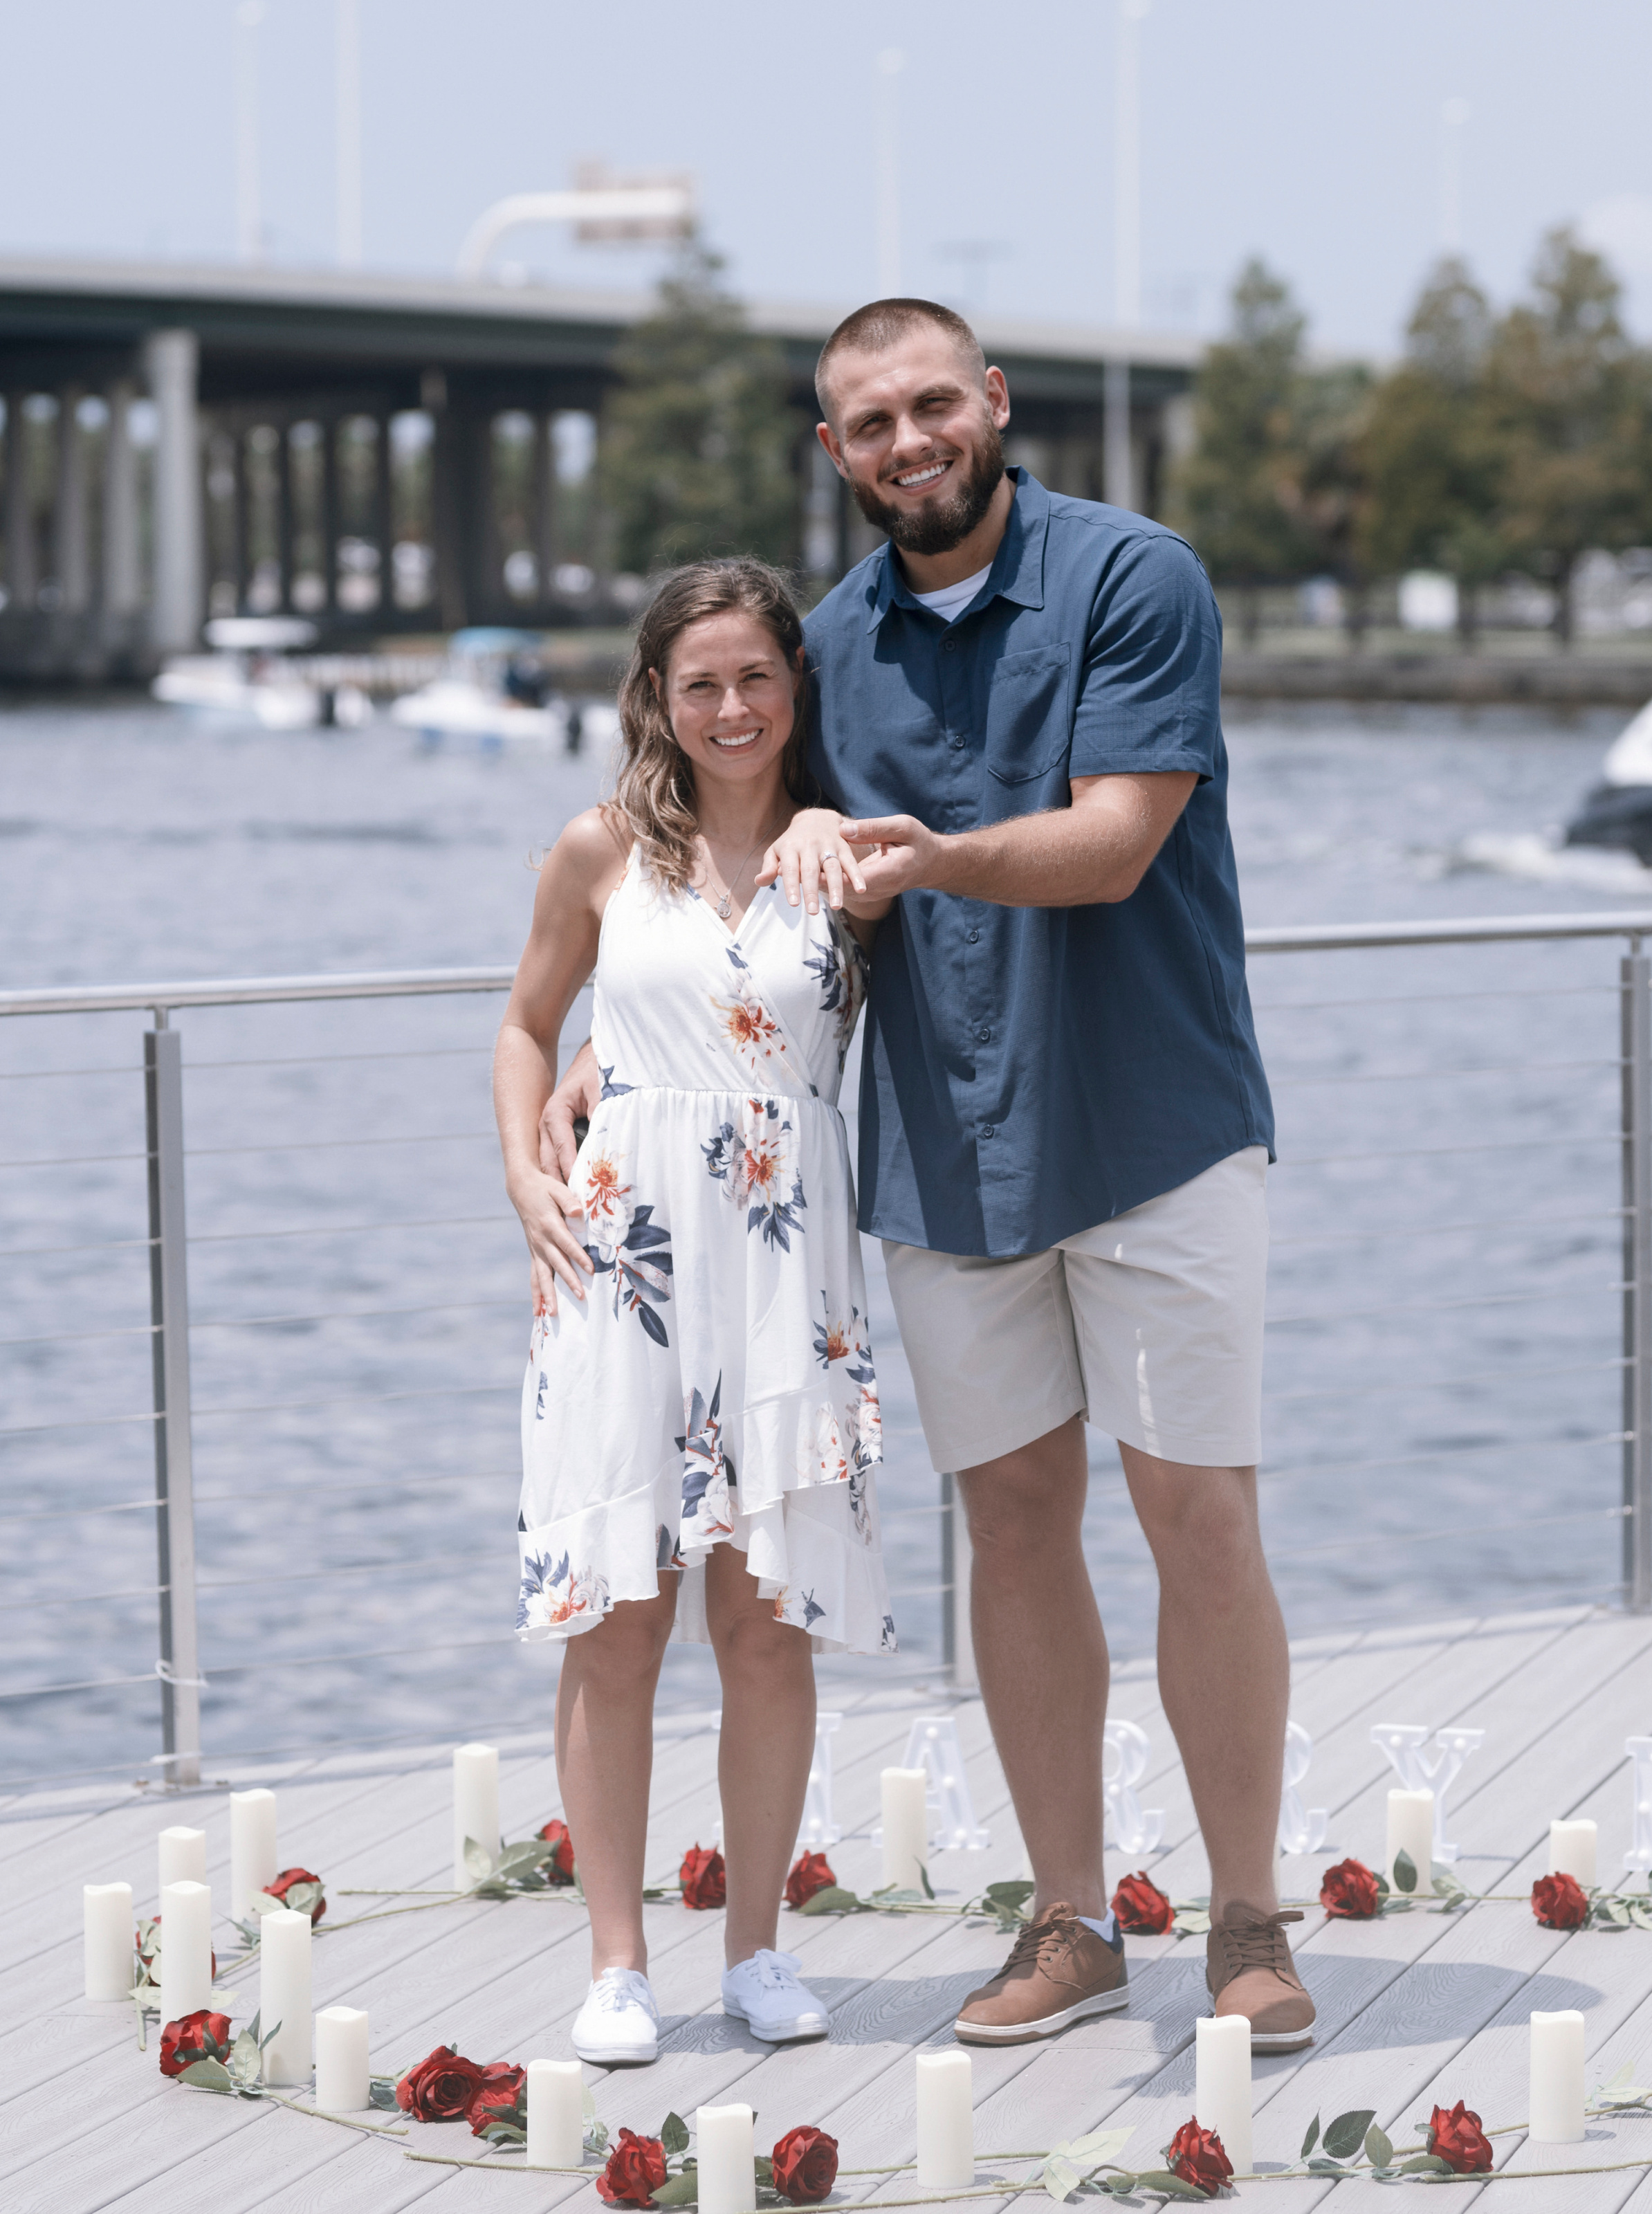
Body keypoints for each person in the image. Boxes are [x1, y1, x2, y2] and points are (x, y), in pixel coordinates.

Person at [674, 295, 1311, 2053]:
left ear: (992, 401)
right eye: (867, 423)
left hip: (1157, 1127)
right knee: (1013, 1526)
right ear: (834, 453)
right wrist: (592, 1028)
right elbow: (720, 853)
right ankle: (1070, 1919)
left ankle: (1248, 1916)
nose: (907, 442)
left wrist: (925, 855)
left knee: (1201, 1517)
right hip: (943, 1151)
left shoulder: (1133, 577)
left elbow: (1114, 843)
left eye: (931, 405)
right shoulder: (824, 648)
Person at [495, 558, 895, 2069]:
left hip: (790, 1267)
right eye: (699, 682)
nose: (731, 708)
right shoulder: (599, 849)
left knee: (767, 1616)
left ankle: (757, 1951)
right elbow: (528, 1026)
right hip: (624, 1260)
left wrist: (821, 826)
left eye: (756, 679)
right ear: (657, 698)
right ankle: (615, 1964)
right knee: (620, 1618)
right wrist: (522, 1174)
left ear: (796, 687)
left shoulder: (846, 855)